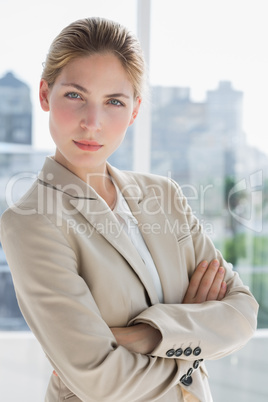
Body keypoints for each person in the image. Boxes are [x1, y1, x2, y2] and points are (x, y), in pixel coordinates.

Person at [0, 17, 258, 402]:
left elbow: (242, 313)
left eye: (114, 102)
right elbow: (101, 380)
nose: (93, 123)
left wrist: (147, 335)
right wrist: (193, 340)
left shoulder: (165, 195)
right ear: (44, 94)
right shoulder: (30, 221)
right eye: (75, 95)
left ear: (135, 110)